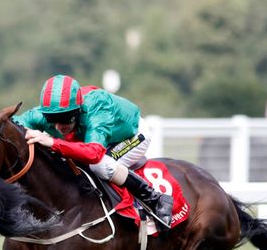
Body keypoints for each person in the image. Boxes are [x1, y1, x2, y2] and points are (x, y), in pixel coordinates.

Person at [14, 74, 173, 229]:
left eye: (65, 118)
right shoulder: (44, 114)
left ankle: (154, 199)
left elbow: (93, 154)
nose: (57, 126)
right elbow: (14, 124)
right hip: (99, 138)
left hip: (132, 135)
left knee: (99, 166)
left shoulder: (97, 107)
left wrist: (52, 142)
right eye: (51, 118)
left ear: (77, 110)